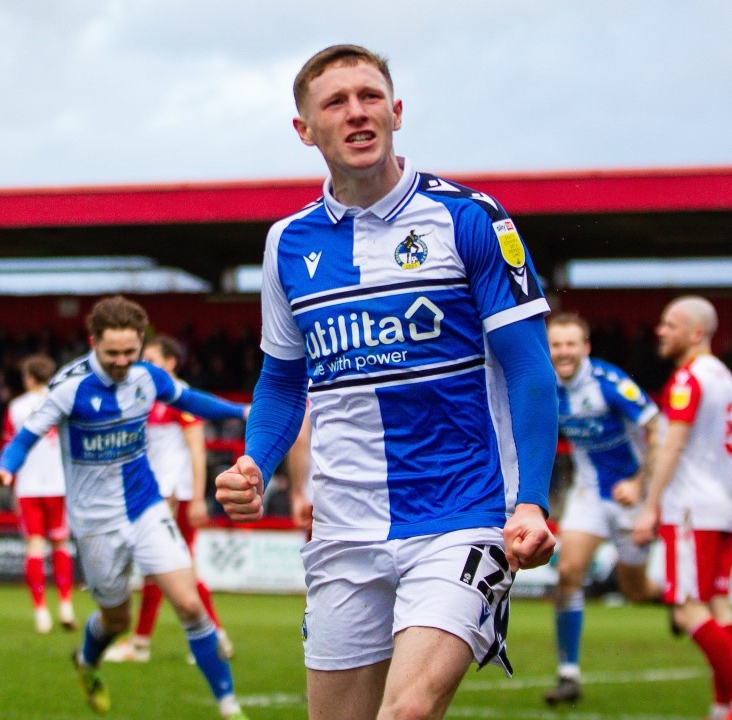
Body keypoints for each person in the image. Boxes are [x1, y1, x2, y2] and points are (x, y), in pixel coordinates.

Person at [214, 45, 558, 720]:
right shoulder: (287, 244)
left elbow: (529, 369)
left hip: (464, 515)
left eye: (370, 96)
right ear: (304, 129)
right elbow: (283, 381)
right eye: (336, 102)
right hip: (344, 526)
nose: (357, 112)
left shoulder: (471, 218)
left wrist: (533, 501)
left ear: (397, 112)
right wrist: (256, 459)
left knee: (406, 712)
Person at [0, 296, 251, 718]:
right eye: (113, 353)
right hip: (95, 525)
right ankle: (87, 661)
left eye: (130, 351)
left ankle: (229, 706)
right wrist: (5, 469)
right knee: (115, 622)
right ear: (93, 342)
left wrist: (244, 411)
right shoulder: (68, 386)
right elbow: (25, 437)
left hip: (146, 507)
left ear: (141, 343)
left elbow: (191, 400)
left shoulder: (147, 377)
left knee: (189, 605)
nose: (123, 361)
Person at [633, 296, 732, 720]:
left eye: (670, 324)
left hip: (691, 507)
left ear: (696, 332)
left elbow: (673, 443)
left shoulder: (687, 380)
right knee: (717, 603)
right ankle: (723, 704)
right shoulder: (725, 377)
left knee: (688, 607)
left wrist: (650, 506)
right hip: (725, 503)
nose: (660, 330)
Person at [542, 312, 662, 706]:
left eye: (570, 344)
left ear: (585, 347)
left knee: (635, 590)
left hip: (632, 495)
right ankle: (568, 675)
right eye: (556, 344)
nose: (563, 352)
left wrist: (641, 482)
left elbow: (658, 427)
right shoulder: (544, 384)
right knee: (569, 572)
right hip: (589, 492)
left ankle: (674, 597)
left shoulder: (609, 384)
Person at [103, 336, 233, 663]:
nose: (143, 364)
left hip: (176, 495)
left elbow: (195, 449)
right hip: (155, 494)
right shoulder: (145, 397)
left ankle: (212, 637)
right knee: (158, 570)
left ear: (171, 362)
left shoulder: (180, 396)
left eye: (150, 358)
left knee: (176, 568)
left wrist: (197, 497)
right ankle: (143, 643)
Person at [4, 354, 77, 634]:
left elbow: (11, 448)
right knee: (60, 545)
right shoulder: (63, 402)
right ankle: (66, 605)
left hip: (28, 487)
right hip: (59, 484)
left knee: (35, 547)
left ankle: (40, 611)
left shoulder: (15, 407)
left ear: (29, 378)